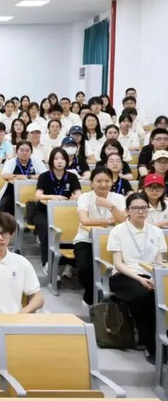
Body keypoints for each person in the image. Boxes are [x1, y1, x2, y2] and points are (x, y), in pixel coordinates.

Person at [107, 193, 166, 364]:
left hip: (150, 275)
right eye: (135, 208)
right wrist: (140, 279)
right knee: (145, 295)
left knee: (159, 294)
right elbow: (118, 264)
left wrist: (155, 278)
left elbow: (159, 261)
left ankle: (160, 339)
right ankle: (150, 345)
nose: (140, 211)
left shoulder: (156, 231)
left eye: (144, 208)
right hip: (124, 275)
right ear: (127, 211)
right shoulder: (118, 231)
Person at [74, 167, 128, 305]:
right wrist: (109, 221)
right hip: (86, 239)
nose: (103, 185)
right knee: (85, 268)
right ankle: (91, 296)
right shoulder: (85, 197)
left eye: (107, 181)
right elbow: (84, 220)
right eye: (99, 181)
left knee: (117, 268)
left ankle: (109, 296)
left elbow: (123, 220)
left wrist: (110, 206)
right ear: (92, 183)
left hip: (113, 240)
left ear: (112, 182)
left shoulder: (118, 198)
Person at [33, 148, 82, 269]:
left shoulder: (72, 176)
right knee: (46, 228)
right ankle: (47, 262)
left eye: (62, 159)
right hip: (44, 211)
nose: (59, 161)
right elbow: (38, 195)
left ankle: (70, 263)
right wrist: (52, 197)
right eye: (56, 159)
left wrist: (76, 196)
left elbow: (79, 193)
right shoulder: (44, 176)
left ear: (67, 161)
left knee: (74, 228)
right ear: (51, 161)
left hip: (65, 213)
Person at [0, 141, 47, 214]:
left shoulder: (36, 162)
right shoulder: (11, 162)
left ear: (31, 152)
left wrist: (27, 176)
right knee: (5, 204)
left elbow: (44, 176)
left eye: (27, 150)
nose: (24, 153)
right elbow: (5, 175)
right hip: (12, 191)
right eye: (22, 150)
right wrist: (18, 177)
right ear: (16, 151)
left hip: (33, 191)